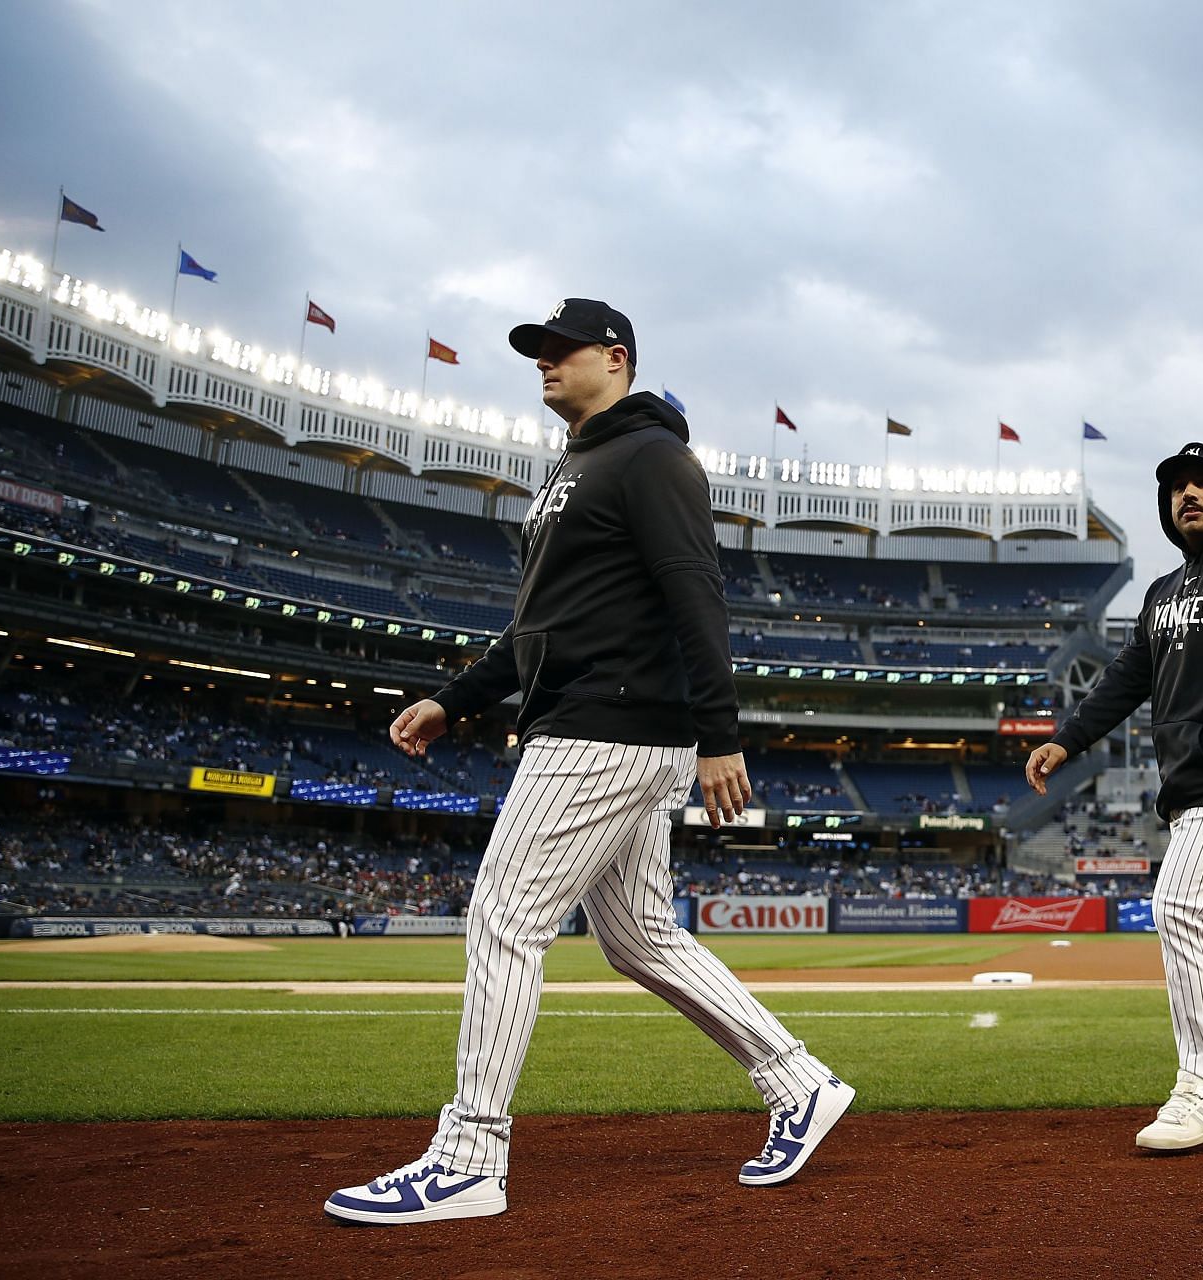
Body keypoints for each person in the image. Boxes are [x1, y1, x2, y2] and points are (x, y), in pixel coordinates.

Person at [324, 300, 852, 1226]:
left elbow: (696, 589)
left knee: (503, 920)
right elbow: (539, 629)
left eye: (561, 350)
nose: (543, 363)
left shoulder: (650, 457)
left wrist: (720, 731)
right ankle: (797, 1080)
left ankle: (470, 1156)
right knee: (639, 936)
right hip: (603, 722)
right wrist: (456, 698)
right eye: (537, 351)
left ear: (617, 359)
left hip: (606, 727)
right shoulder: (572, 469)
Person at [1026, 441, 1203, 1152]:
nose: (1189, 493)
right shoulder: (1161, 594)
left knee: (1177, 904)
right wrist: (1068, 739)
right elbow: (1126, 679)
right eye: (1178, 485)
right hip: (1197, 787)